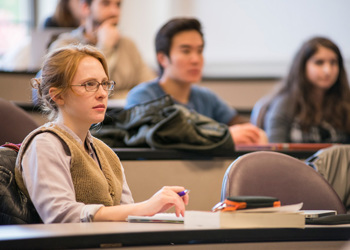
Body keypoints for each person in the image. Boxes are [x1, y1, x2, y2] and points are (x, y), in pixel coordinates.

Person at [14, 44, 189, 223]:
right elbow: (61, 216)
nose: (102, 94)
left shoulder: (107, 154)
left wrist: (154, 212)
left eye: (104, 84)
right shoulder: (45, 144)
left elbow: (127, 217)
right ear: (57, 96)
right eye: (89, 84)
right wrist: (144, 208)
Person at [125, 17, 267, 145]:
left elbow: (241, 126)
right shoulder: (142, 97)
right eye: (186, 51)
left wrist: (254, 134)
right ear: (162, 58)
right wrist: (224, 136)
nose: (196, 59)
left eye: (199, 51)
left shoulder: (207, 98)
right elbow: (161, 137)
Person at [48, 0, 156, 99]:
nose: (114, 12)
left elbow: (148, 91)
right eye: (105, 3)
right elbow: (78, 94)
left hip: (126, 117)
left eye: (118, 5)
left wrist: (114, 97)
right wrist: (105, 46)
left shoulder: (128, 45)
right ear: (85, 8)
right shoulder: (64, 46)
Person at [264, 37, 350, 143]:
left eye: (333, 63)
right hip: (294, 160)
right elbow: (275, 152)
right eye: (319, 62)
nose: (328, 70)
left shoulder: (346, 101)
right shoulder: (285, 104)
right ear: (303, 66)